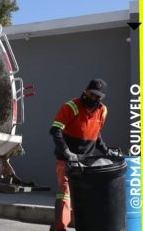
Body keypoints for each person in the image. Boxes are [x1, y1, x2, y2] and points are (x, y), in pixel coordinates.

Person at [49, 78, 117, 231]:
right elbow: (55, 130)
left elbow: (96, 134)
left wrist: (106, 151)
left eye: (98, 96)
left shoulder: (103, 111)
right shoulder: (71, 106)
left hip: (87, 161)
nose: (94, 98)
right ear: (86, 91)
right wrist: (67, 152)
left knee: (86, 196)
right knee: (65, 194)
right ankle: (59, 228)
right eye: (92, 94)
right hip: (66, 160)